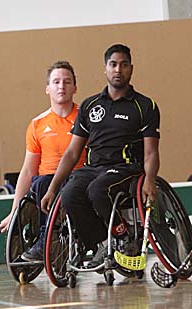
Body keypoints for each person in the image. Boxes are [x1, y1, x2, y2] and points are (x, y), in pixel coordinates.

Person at [40, 43, 160, 267]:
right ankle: (103, 243)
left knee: (98, 190)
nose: (118, 70)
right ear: (105, 69)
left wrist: (150, 180)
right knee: (69, 195)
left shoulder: (145, 106)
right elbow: (72, 153)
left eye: (123, 65)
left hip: (125, 168)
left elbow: (151, 151)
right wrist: (52, 188)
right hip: (93, 168)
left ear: (131, 69)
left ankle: (124, 237)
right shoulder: (90, 105)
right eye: (113, 65)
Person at [0, 60, 85, 261]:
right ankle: (46, 238)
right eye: (56, 82)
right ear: (47, 88)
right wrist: (14, 212)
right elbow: (28, 170)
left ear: (75, 87)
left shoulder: (85, 117)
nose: (61, 86)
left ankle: (51, 239)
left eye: (67, 82)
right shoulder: (37, 124)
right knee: (42, 183)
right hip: (46, 183)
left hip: (77, 180)